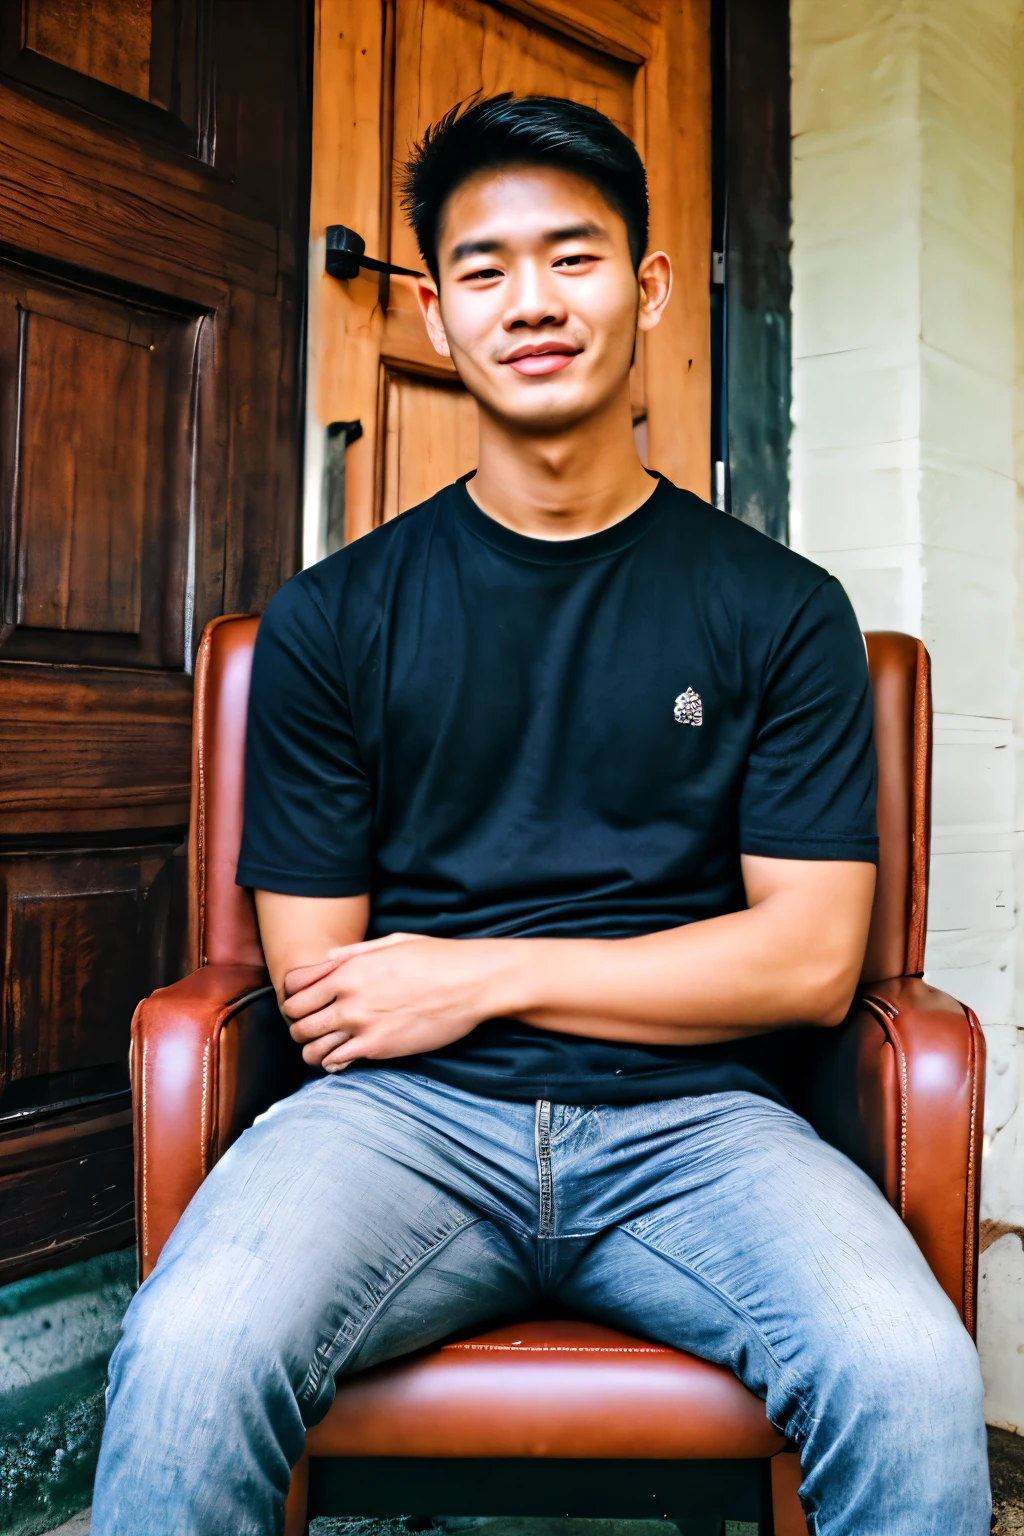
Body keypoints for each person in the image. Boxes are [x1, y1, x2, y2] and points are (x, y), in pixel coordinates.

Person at [92, 95, 989, 1535]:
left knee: (905, 1373)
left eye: (572, 259)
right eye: (487, 271)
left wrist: (481, 970)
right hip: (401, 1127)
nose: (532, 303)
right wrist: (577, 987)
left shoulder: (781, 613)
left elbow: (811, 965)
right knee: (189, 1356)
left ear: (641, 289)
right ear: (438, 318)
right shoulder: (333, 624)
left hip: (702, 1129)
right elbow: (328, 1001)